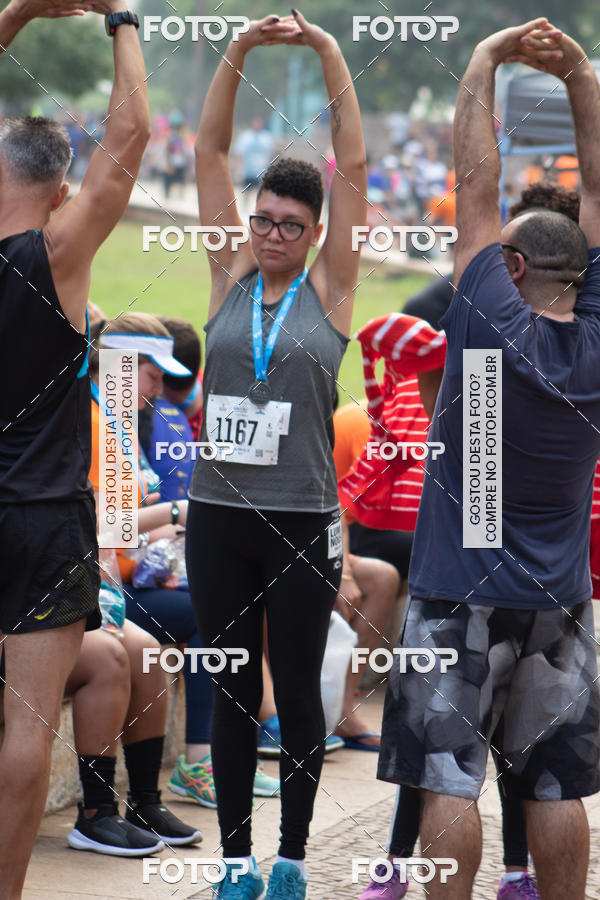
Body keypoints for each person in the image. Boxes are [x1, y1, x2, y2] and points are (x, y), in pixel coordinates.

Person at [378, 20, 600, 900]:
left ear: (509, 265)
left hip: (454, 592)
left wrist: (481, 62)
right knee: (557, 785)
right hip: (560, 599)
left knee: (448, 780)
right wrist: (581, 75)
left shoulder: (482, 314)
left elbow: (474, 180)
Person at [188, 10, 366, 898]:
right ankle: (233, 861)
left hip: (299, 517)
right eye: (262, 220)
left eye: (290, 224)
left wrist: (329, 51)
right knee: (227, 690)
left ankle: (292, 856)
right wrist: (239, 50)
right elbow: (208, 152)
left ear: (314, 232)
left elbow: (357, 168)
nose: (269, 234)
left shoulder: (330, 291)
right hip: (218, 516)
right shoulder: (229, 278)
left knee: (295, 692)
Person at [0, 0, 149, 893]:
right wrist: (122, 17)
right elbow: (127, 138)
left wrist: (13, 16)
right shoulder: (55, 251)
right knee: (26, 731)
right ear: (60, 189)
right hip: (44, 517)